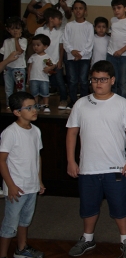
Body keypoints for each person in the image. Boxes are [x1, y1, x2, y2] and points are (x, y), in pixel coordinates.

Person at [66, 61, 126, 258]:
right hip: (88, 167)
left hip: (115, 167)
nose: (98, 83)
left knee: (120, 206)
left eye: (103, 79)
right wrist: (71, 161)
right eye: (95, 79)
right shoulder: (81, 104)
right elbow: (72, 133)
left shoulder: (123, 104)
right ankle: (87, 238)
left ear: (112, 80)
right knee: (88, 206)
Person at [0, 92, 45, 258]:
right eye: (29, 108)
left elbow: (37, 157)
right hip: (16, 187)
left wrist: (39, 181)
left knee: (25, 220)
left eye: (35, 106)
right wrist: (10, 185)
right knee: (10, 224)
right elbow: (1, 161)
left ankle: (21, 248)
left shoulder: (36, 131)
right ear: (17, 112)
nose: (34, 110)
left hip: (31, 185)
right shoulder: (10, 133)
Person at [35, 8, 69, 109]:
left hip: (55, 62)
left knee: (60, 82)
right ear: (51, 19)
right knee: (42, 82)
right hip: (42, 62)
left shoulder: (59, 33)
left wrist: (60, 61)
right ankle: (43, 100)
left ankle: (63, 99)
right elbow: (36, 46)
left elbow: (61, 48)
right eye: (59, 19)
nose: (60, 21)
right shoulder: (39, 30)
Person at [62, 0, 94, 107]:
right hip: (71, 58)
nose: (78, 11)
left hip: (84, 58)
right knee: (72, 80)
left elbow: (90, 43)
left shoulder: (89, 26)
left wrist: (81, 54)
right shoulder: (69, 25)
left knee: (84, 80)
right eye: (75, 8)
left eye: (80, 8)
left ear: (85, 11)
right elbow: (65, 41)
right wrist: (72, 51)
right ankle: (73, 101)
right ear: (72, 11)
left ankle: (84, 101)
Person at [106, 0, 126, 99]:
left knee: (123, 82)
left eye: (119, 8)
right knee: (112, 80)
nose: (116, 11)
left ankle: (123, 103)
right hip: (111, 54)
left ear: (125, 8)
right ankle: (112, 102)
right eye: (114, 8)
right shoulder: (113, 20)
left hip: (124, 56)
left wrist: (121, 51)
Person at [0, 17, 27, 105]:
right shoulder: (6, 41)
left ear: (22, 29)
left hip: (19, 68)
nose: (15, 31)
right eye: (12, 28)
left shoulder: (23, 40)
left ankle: (20, 104)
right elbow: (3, 53)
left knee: (20, 88)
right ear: (8, 30)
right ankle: (9, 105)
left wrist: (16, 40)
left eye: (17, 28)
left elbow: (19, 51)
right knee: (8, 88)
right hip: (7, 68)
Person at [27, 34, 53, 112]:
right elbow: (30, 67)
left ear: (45, 46)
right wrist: (28, 77)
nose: (35, 47)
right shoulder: (32, 56)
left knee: (45, 93)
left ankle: (46, 106)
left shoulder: (47, 57)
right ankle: (35, 105)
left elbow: (52, 65)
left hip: (43, 78)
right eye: (34, 45)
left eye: (38, 45)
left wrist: (49, 68)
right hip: (33, 78)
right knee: (34, 94)